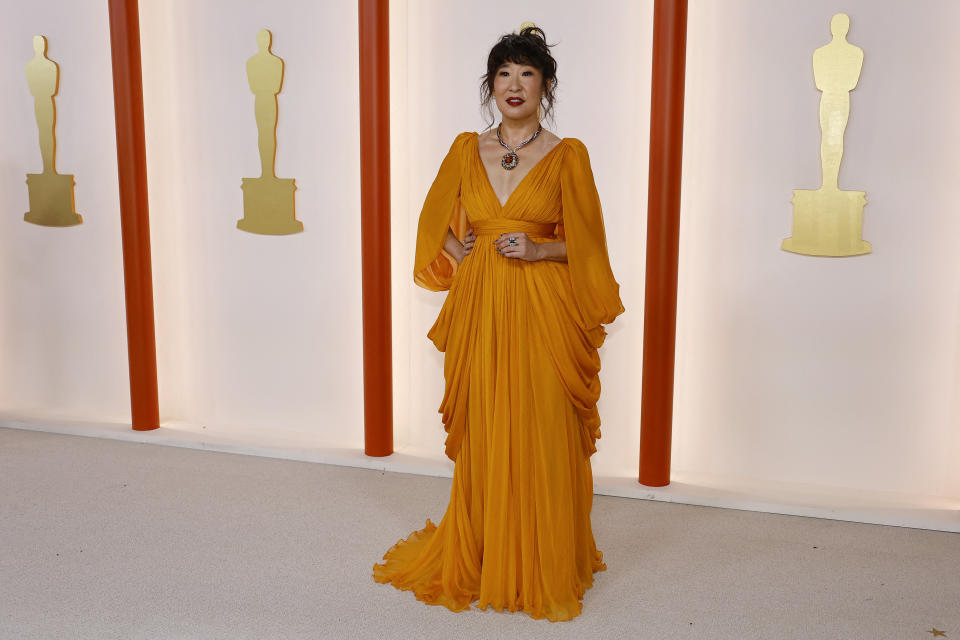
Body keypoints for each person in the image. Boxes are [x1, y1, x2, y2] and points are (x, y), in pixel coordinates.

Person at [373, 26, 624, 622]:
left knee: (541, 423)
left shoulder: (568, 156)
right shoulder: (467, 150)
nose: (515, 85)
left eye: (527, 74)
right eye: (505, 74)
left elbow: (589, 249)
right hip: (483, 305)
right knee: (488, 426)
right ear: (491, 85)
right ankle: (487, 556)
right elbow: (432, 227)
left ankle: (544, 561)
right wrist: (470, 261)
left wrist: (539, 252)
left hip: (543, 306)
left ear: (546, 86)